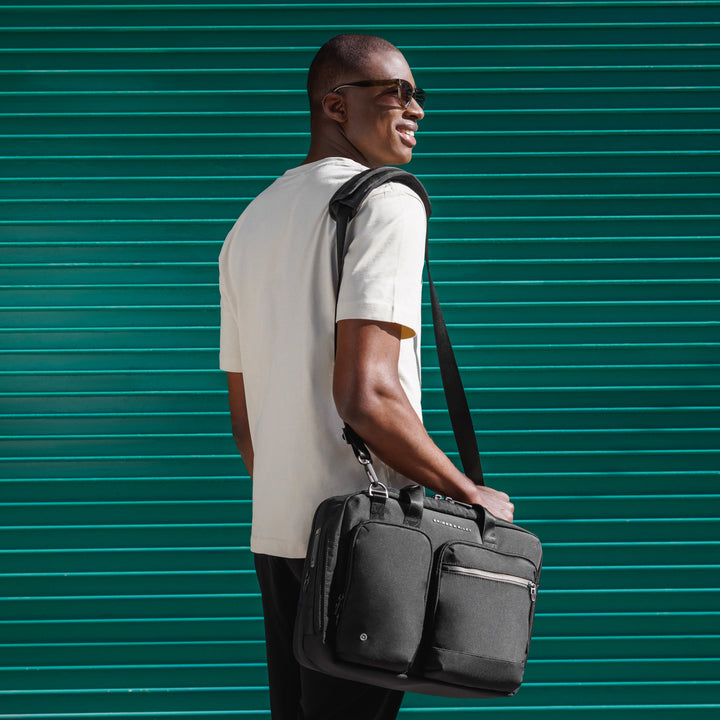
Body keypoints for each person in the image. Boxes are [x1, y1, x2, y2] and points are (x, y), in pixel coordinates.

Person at [219, 33, 514, 720]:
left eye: (418, 95)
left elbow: (247, 429)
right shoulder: (386, 201)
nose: (415, 109)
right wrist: (468, 493)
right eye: (394, 93)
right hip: (369, 540)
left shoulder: (250, 224)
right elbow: (367, 393)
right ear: (333, 104)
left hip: (282, 535)